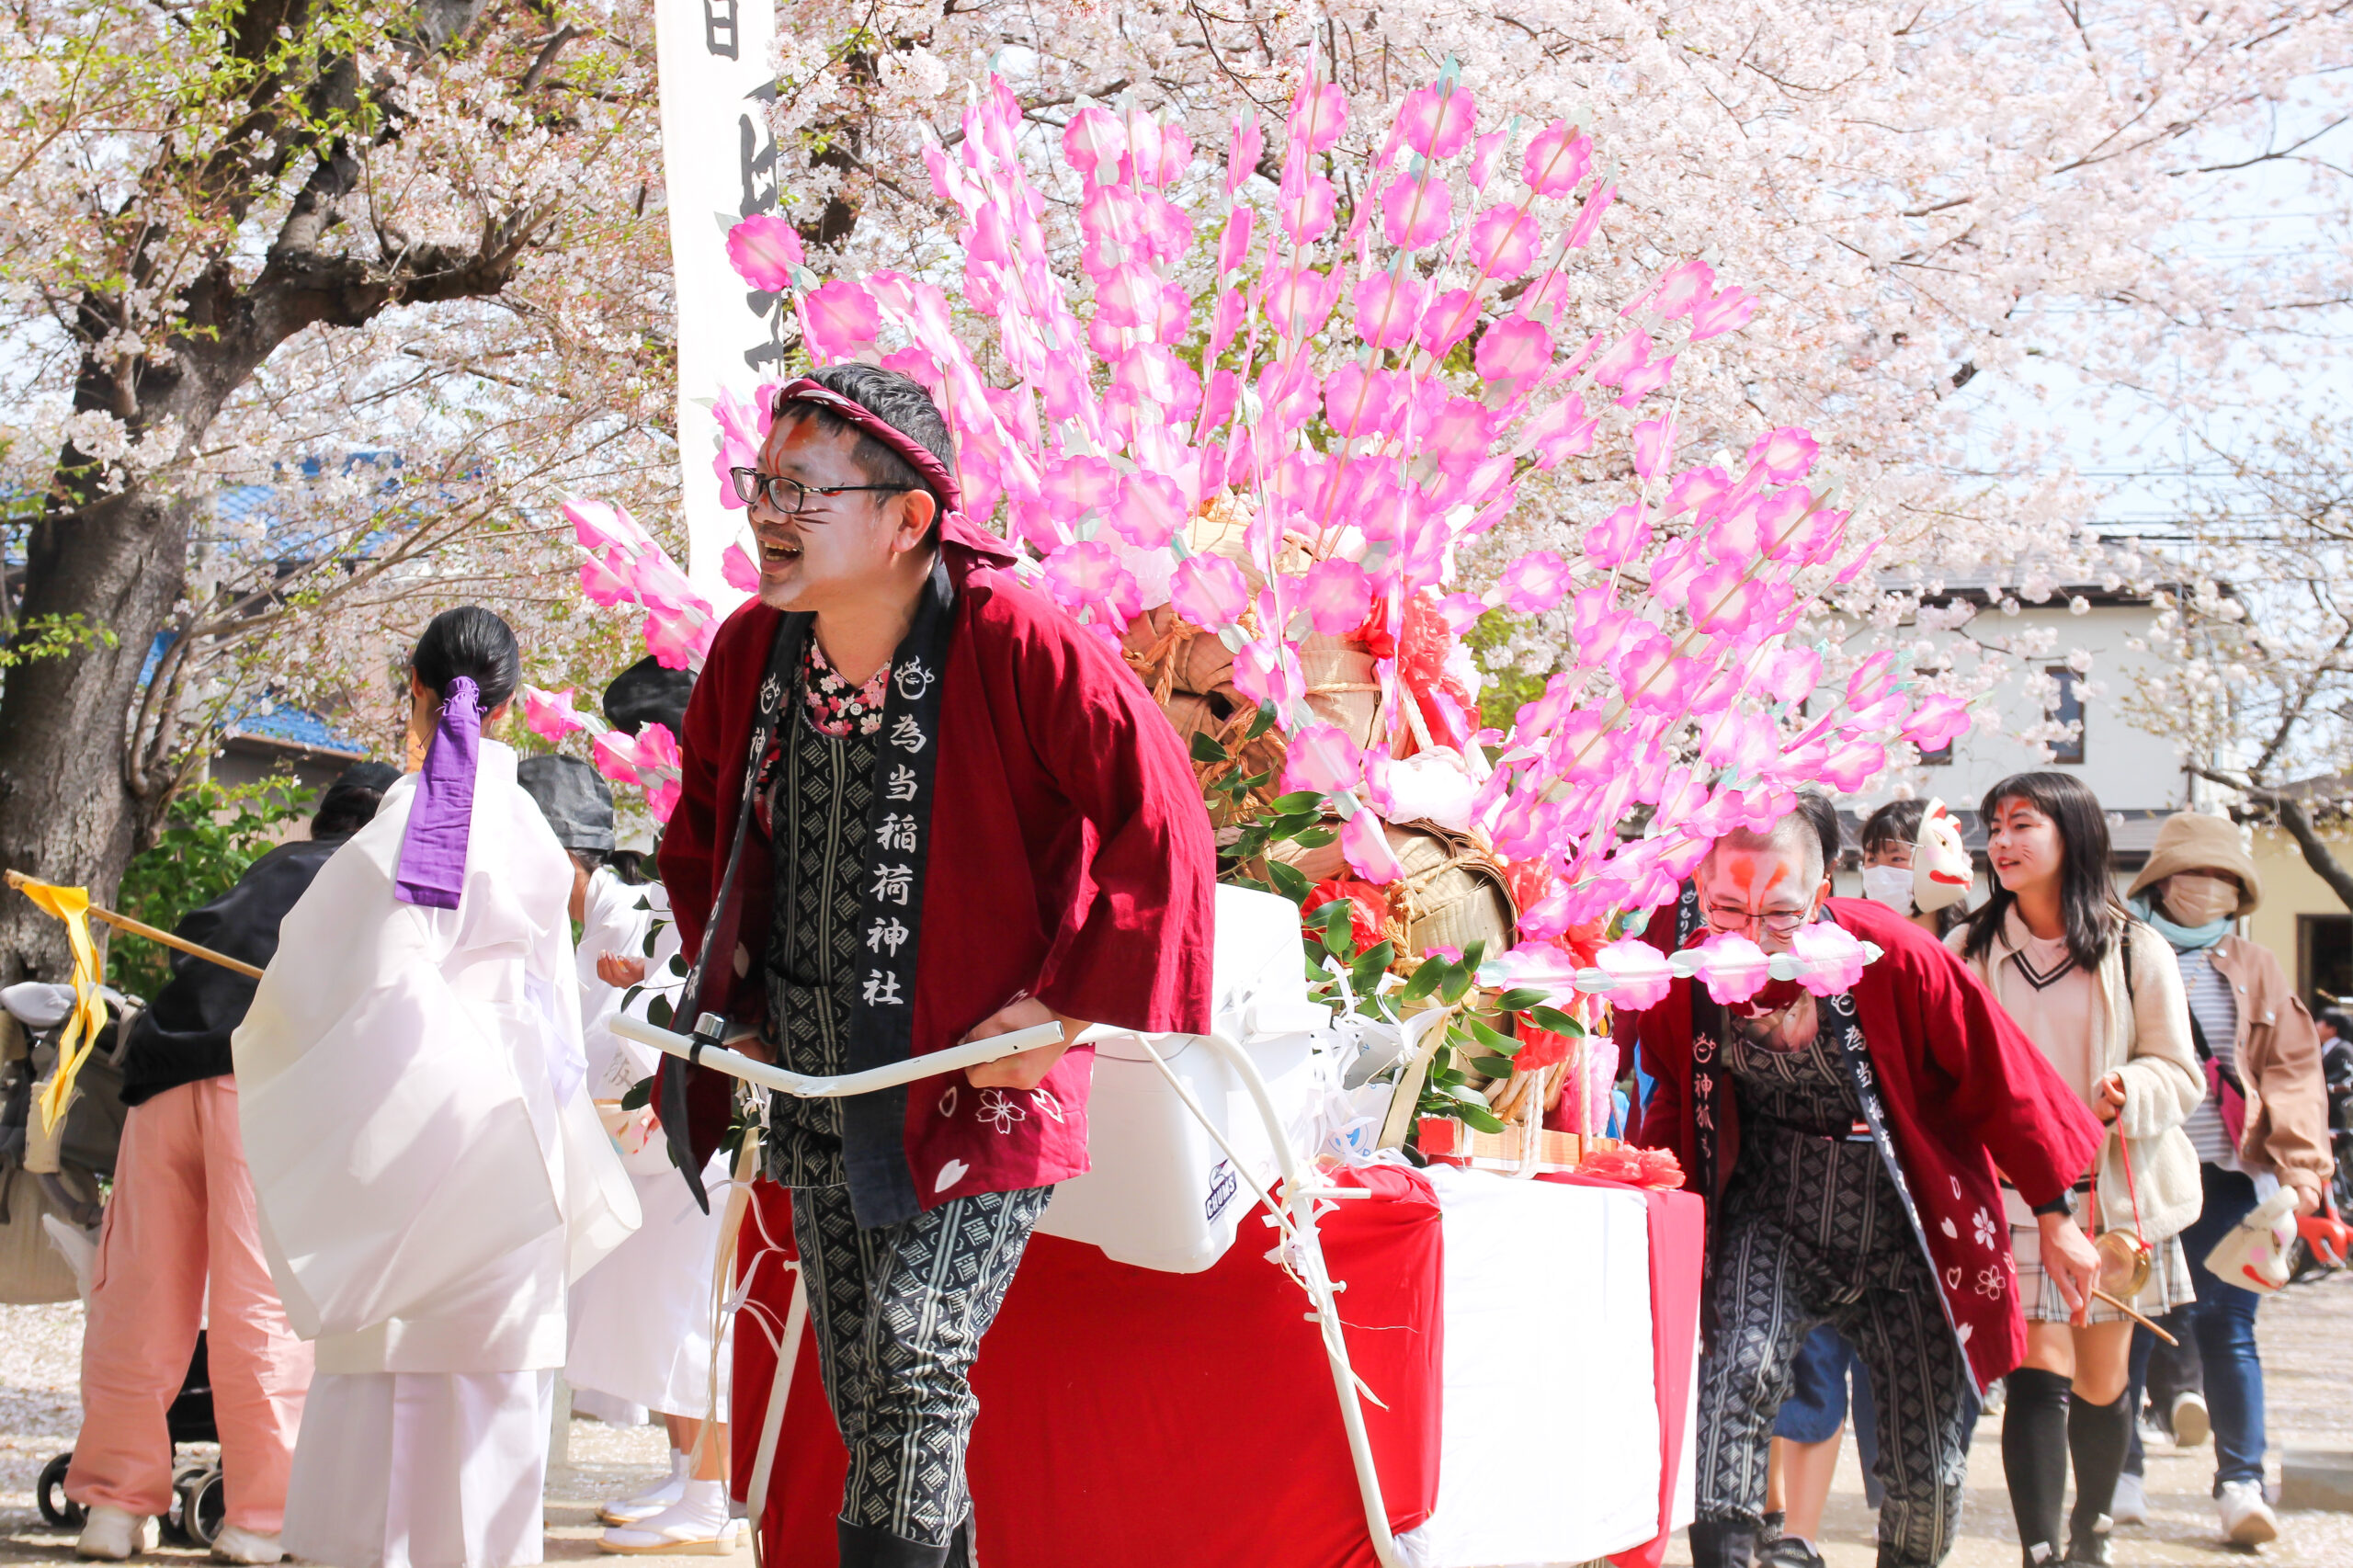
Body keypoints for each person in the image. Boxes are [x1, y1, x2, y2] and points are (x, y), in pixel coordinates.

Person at [656, 364, 1214, 1568]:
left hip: (981, 1070)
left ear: (910, 518)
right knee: (877, 1401)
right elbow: (705, 829)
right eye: (764, 483)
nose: (768, 513)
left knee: (914, 1352)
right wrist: (727, 994)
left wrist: (1066, 1006)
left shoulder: (1011, 633)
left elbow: (1158, 810)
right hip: (820, 1075)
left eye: (802, 490)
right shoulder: (754, 647)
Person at [234, 607, 639, 1568]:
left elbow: (333, 974)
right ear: (507, 708)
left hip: (418, 1092)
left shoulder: (409, 817)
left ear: (414, 688)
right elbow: (548, 984)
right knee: (490, 1375)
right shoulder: (533, 826)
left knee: (387, 1358)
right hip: (516, 1109)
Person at [1629, 808, 2105, 1568]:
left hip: (1911, 1227)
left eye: (1781, 913)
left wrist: (2057, 1213)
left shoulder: (1896, 954)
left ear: (1820, 893)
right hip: (1771, 1213)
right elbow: (1675, 1096)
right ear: (1701, 892)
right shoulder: (1690, 973)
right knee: (1736, 1373)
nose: (1753, 934)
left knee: (1924, 1460)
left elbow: (1997, 1075)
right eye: (1727, 910)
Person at [66, 763, 395, 1564]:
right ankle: (260, 1518)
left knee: (139, 1303)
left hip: (162, 1085)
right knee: (263, 1305)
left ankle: (114, 1508)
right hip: (261, 1091)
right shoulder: (376, 884)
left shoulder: (270, 868)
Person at [1949, 773, 2204, 1568]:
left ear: (2074, 836)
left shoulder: (2136, 948)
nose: (2002, 842)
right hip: (2015, 1197)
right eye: (1994, 827)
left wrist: (2132, 1088)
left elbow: (2182, 1072)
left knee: (2103, 1381)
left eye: (2023, 825)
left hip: (2115, 1202)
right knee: (2036, 1372)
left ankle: (2091, 1530)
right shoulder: (1973, 948)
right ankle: (2040, 1549)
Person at [540, 675, 745, 1555]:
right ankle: (681, 1470)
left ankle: (709, 1489)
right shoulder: (618, 909)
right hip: (638, 1129)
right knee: (651, 1312)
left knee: (692, 1314)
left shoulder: (640, 902)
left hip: (690, 1130)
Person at [2108, 811, 2332, 1546]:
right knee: (2130, 1328)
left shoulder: (2256, 965)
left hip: (2233, 1177)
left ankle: (2241, 1483)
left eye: (2222, 877)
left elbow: (2293, 1073)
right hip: (2140, 1173)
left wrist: (2301, 1174)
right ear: (2162, 881)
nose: (2207, 888)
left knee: (2229, 1329)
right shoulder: (2121, 949)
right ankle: (2122, 1469)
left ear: (2238, 890)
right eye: (2194, 873)